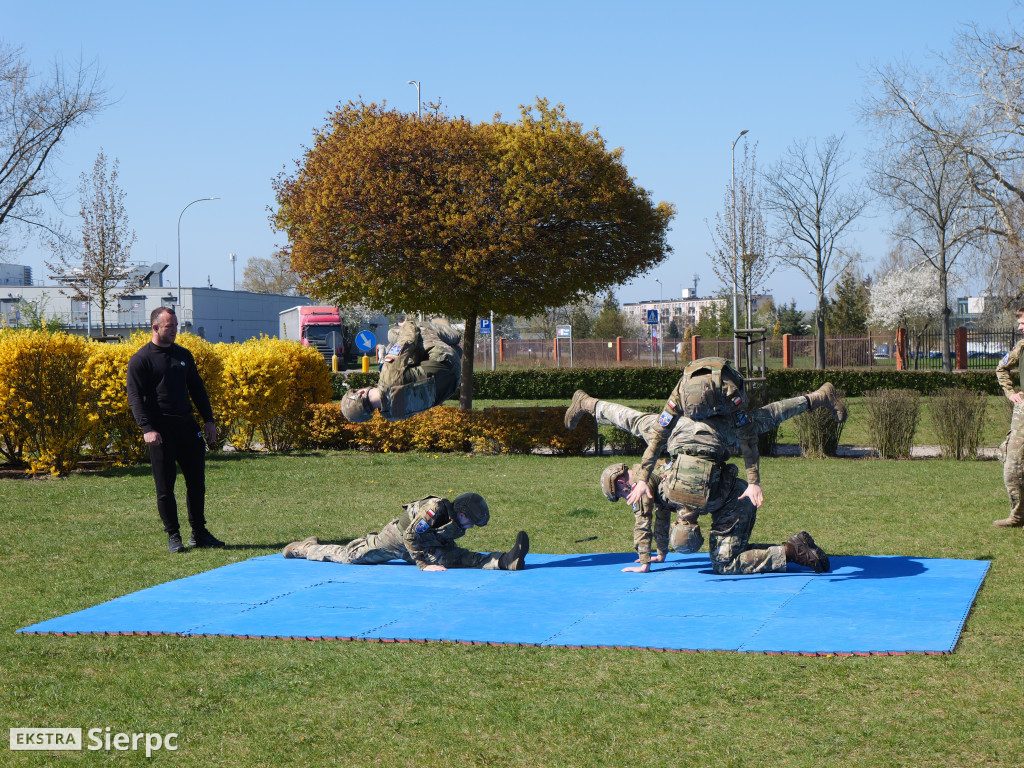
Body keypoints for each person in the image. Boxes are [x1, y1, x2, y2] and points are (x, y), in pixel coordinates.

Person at [566, 359, 846, 574]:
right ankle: (818, 398)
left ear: (624, 471)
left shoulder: (650, 481)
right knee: (764, 418)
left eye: (622, 483)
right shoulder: (657, 479)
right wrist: (659, 552)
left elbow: (645, 519)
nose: (627, 489)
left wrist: (644, 561)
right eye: (621, 491)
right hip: (705, 436)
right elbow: (657, 514)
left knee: (637, 422)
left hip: (699, 437)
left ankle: (586, 402)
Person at [127, 307, 224, 553]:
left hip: (186, 427)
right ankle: (173, 535)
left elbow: (197, 389)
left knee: (197, 483)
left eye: (176, 325)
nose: (174, 330)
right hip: (160, 432)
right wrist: (147, 428)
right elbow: (135, 397)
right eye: (169, 326)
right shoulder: (142, 359)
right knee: (165, 487)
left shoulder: (183, 355)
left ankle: (199, 533)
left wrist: (209, 420)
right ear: (155, 327)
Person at [282, 492, 530, 571]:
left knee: (456, 557)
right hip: (396, 539)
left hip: (423, 544)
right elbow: (411, 536)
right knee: (351, 556)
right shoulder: (435, 510)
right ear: (462, 512)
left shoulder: (457, 523)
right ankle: (305, 548)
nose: (471, 527)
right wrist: (424, 565)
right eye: (471, 522)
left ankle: (505, 561)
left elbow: (444, 542)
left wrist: (450, 556)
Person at [341, 317, 462, 423]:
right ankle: (451, 333)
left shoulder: (392, 415)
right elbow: (407, 341)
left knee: (395, 351)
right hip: (447, 360)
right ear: (361, 392)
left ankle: (453, 346)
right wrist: (408, 324)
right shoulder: (388, 375)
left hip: (453, 382)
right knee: (396, 333)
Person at [599, 460, 701, 573]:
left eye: (621, 494)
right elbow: (662, 515)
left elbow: (642, 525)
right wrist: (661, 554)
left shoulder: (639, 486)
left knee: (683, 541)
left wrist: (644, 565)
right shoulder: (651, 471)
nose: (626, 498)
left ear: (621, 482)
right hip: (703, 491)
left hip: (705, 500)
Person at [995, 307, 1024, 528]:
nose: (1020, 327)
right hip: (1022, 413)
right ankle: (1018, 515)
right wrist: (1011, 393)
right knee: (1012, 465)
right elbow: (1001, 368)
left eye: (1023, 323)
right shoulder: (1021, 347)